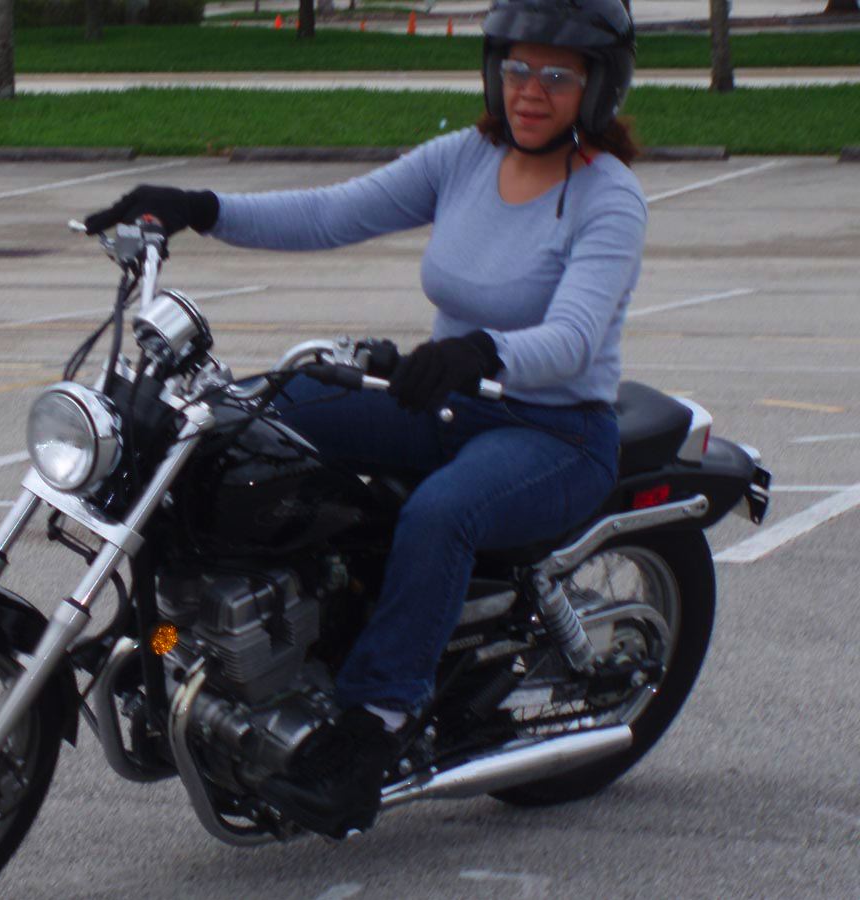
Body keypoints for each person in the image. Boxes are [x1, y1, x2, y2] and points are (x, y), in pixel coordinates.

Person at [84, 0, 645, 839]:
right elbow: (333, 212)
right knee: (243, 422)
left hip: (554, 431)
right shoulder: (466, 158)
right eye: (519, 68)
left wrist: (479, 353)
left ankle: (376, 720)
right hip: (451, 398)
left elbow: (574, 339)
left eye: (558, 75)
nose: (532, 90)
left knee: (442, 514)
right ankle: (173, 638)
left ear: (598, 86)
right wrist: (201, 207)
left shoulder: (609, 197)